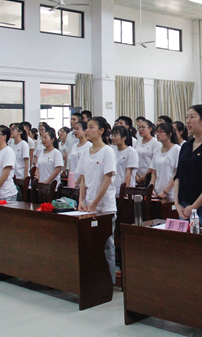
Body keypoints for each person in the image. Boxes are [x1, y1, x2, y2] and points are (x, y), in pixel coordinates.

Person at [76, 117, 117, 284]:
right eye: (87, 127)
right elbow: (83, 178)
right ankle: (95, 281)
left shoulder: (108, 152)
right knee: (90, 245)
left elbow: (107, 180)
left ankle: (110, 281)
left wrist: (94, 204)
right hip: (88, 207)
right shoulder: (86, 152)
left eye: (91, 127)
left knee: (106, 245)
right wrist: (81, 200)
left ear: (101, 131)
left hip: (105, 207)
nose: (87, 130)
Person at [150, 122, 180, 200]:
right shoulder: (157, 151)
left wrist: (165, 191)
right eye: (157, 132)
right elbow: (154, 173)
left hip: (172, 192)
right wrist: (152, 188)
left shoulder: (177, 149)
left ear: (170, 134)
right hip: (157, 191)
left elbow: (177, 173)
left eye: (161, 132)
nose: (158, 134)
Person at [110, 125, 138, 195]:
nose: (113, 138)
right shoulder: (111, 150)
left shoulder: (131, 151)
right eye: (112, 135)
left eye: (115, 136)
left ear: (124, 137)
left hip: (124, 190)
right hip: (112, 188)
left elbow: (129, 172)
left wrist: (125, 190)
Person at [134, 119, 161, 186]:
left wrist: (145, 176)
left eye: (143, 127)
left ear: (150, 129)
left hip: (150, 177)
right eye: (139, 127)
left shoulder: (156, 143)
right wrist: (136, 175)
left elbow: (155, 162)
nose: (140, 129)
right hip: (137, 177)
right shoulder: (137, 142)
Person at [67, 121, 93, 187]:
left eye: (77, 129)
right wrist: (69, 180)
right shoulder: (74, 146)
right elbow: (71, 164)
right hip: (73, 179)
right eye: (74, 129)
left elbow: (87, 167)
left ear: (85, 131)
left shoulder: (89, 146)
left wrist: (77, 181)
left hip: (83, 181)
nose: (75, 131)